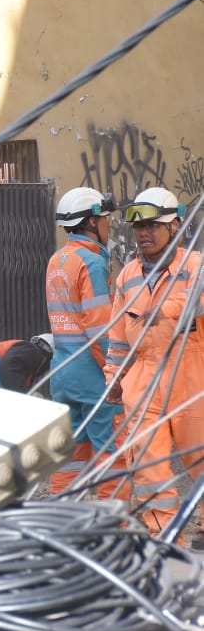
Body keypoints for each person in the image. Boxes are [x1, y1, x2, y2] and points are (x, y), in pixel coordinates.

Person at [104, 187, 204, 535]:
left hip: (191, 381)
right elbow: (118, 338)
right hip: (143, 386)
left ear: (174, 226)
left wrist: (166, 310)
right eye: (138, 228)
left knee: (201, 462)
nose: (143, 234)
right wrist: (114, 378)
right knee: (150, 470)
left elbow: (195, 300)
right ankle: (164, 542)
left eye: (153, 226)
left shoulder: (195, 265)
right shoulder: (127, 275)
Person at [47, 186, 122, 496]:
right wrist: (114, 372)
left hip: (61, 375)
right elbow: (99, 329)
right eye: (105, 218)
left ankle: (59, 526)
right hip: (92, 376)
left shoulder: (57, 259)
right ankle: (114, 528)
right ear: (92, 222)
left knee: (70, 458)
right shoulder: (91, 263)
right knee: (111, 454)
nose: (108, 224)